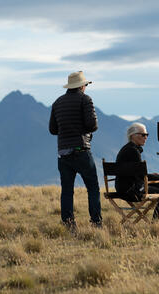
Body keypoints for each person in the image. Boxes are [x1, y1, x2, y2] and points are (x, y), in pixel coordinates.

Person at [49, 71, 102, 228]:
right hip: (81, 150)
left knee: (67, 191)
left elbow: (53, 130)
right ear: (81, 86)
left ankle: (69, 224)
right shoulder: (85, 100)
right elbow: (93, 125)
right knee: (92, 188)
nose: (86, 87)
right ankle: (96, 223)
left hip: (63, 154)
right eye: (85, 85)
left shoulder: (57, 103)